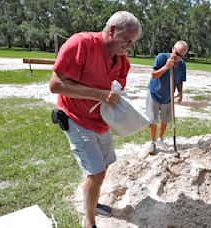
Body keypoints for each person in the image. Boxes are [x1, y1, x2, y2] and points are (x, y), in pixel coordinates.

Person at [48, 11, 141, 228]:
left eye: (132, 42)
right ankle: (89, 221)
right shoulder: (80, 44)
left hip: (100, 122)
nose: (129, 46)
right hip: (76, 118)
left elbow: (115, 91)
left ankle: (93, 202)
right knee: (96, 171)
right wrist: (99, 95)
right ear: (111, 31)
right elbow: (55, 85)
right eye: (127, 39)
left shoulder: (123, 63)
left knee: (105, 165)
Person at [145, 40, 189, 155]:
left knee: (165, 119)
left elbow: (180, 80)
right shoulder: (161, 57)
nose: (178, 57)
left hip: (168, 96)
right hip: (154, 93)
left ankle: (160, 139)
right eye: (177, 53)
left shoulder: (182, 65)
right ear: (173, 49)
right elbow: (154, 75)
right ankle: (153, 142)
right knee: (153, 120)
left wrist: (180, 92)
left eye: (181, 56)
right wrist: (166, 67)